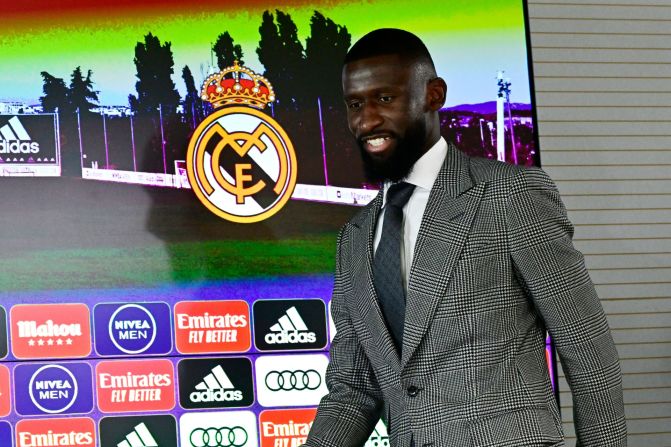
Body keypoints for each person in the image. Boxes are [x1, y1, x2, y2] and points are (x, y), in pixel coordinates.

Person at [303, 28, 627, 447]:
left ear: (433, 94)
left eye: (385, 99)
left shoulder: (509, 194)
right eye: (354, 104)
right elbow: (353, 391)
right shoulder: (353, 239)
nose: (366, 120)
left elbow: (589, 354)